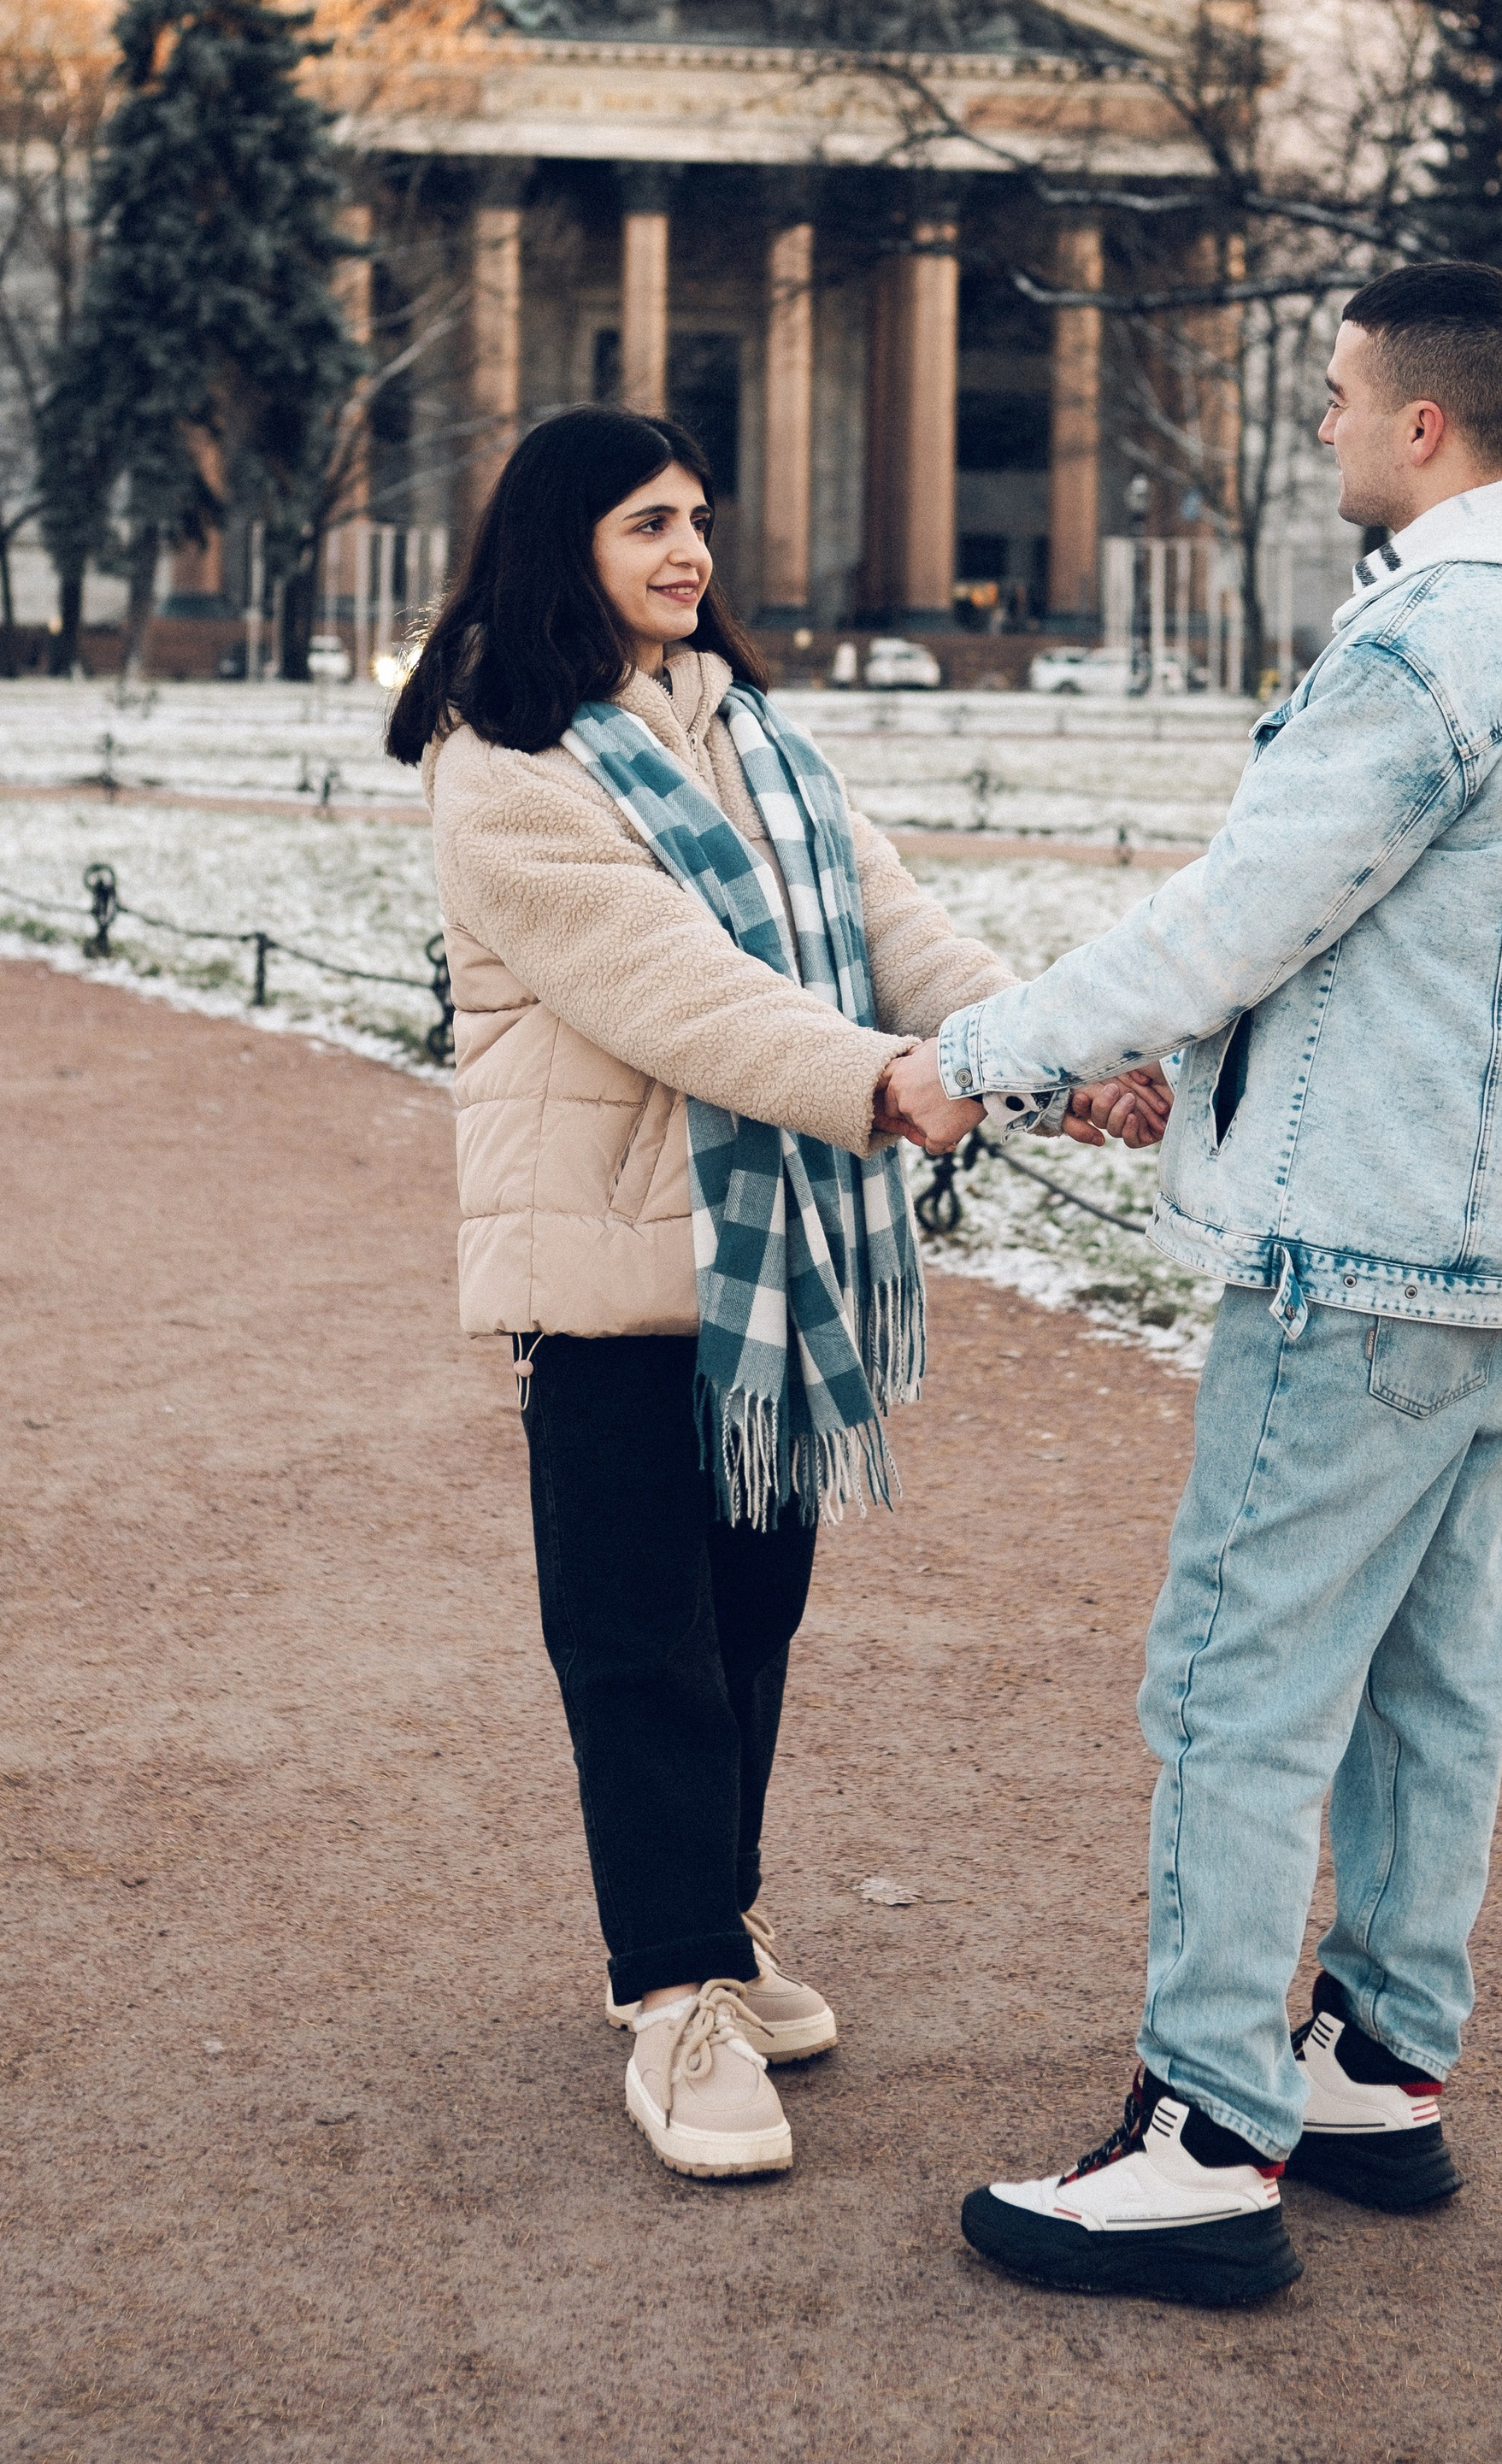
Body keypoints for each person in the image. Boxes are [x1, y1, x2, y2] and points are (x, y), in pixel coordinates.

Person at [886, 261, 1502, 2308]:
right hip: (1490, 1239)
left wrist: (983, 1055)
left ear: (1423, 425)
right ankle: (1377, 2061)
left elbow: (1239, 913)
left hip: (1352, 1245)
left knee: (1237, 1681)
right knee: (1429, 1678)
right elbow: (1408, 943)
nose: (1314, 425)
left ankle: (1199, 2131)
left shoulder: (1430, 645)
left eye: (1332, 398)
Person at [387, 406, 1150, 2184]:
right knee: (637, 1642)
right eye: (649, 521)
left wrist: (1054, 1059)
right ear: (561, 535)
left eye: (700, 521)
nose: (688, 552)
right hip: (605, 1268)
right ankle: (668, 1992)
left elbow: (899, 929)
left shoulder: (752, 734)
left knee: (748, 1626)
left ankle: (708, 1925)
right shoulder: (503, 756)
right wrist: (888, 1085)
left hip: (771, 1272)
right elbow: (675, 992)